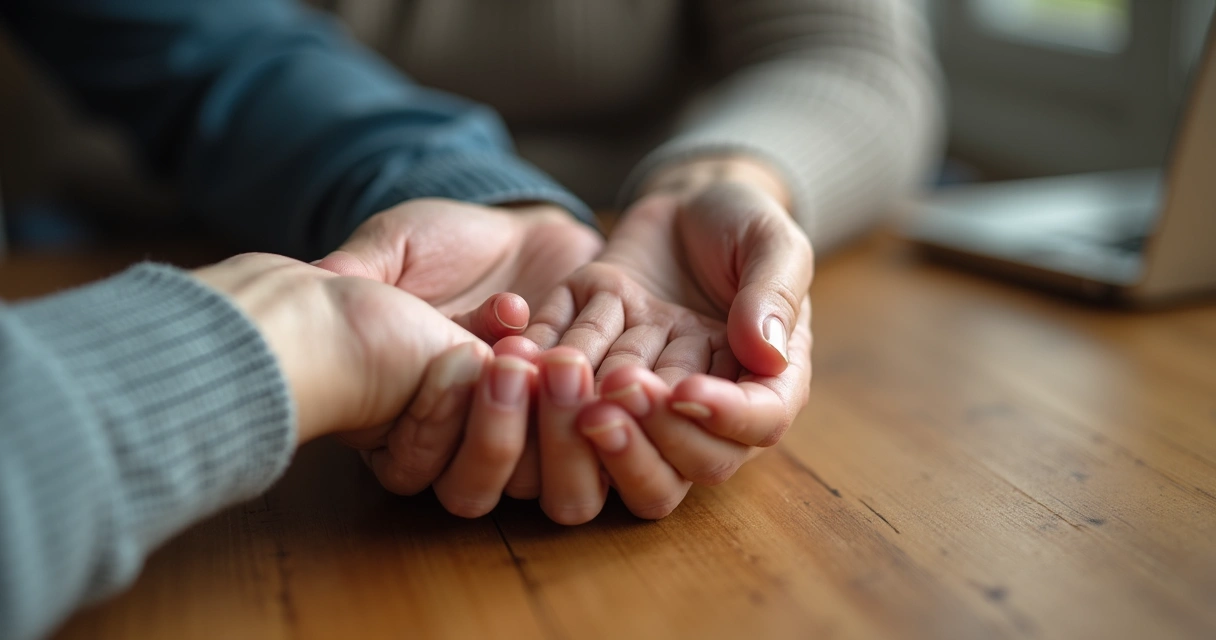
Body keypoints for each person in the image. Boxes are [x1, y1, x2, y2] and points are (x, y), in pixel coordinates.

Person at [0, 1, 936, 639]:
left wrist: (703, 181)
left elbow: (244, 59)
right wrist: (287, 331)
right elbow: (190, 41)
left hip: (488, 231)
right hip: (109, 246)